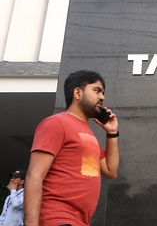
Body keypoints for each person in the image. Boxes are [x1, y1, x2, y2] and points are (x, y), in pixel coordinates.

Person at [24, 70, 119, 226]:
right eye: (97, 91)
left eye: (102, 93)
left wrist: (112, 132)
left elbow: (111, 171)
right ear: (77, 93)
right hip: (57, 219)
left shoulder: (88, 134)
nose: (102, 97)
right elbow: (34, 176)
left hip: (80, 222)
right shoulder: (56, 123)